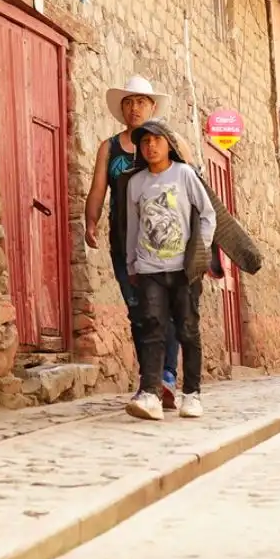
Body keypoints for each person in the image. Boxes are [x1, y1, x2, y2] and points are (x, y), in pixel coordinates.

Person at [85, 76, 182, 406]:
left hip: (164, 242)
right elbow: (98, 188)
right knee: (139, 311)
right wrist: (91, 221)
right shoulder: (109, 148)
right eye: (128, 102)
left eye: (141, 101)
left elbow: (191, 184)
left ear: (153, 107)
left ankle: (165, 377)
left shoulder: (168, 142)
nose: (134, 107)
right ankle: (151, 380)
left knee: (164, 310)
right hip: (125, 242)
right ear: (122, 110)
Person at [117, 119, 214, 422]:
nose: (150, 146)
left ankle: (193, 394)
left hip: (183, 268)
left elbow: (208, 214)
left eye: (155, 140)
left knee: (187, 329)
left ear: (168, 144)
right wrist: (132, 262)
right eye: (144, 142)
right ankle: (151, 394)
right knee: (152, 327)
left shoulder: (184, 175)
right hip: (149, 269)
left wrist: (201, 252)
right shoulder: (136, 183)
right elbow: (132, 227)